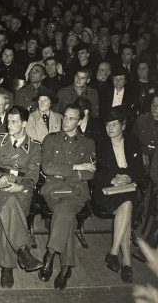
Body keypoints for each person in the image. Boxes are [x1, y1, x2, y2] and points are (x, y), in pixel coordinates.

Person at [38, 103, 96, 290]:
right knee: (67, 215)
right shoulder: (50, 139)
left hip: (76, 192)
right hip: (54, 190)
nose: (66, 121)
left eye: (72, 118)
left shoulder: (88, 143)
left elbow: (90, 174)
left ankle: (50, 254)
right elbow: (47, 168)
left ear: (79, 121)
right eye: (65, 116)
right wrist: (76, 167)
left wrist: (62, 171)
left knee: (65, 212)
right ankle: (66, 266)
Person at [0, 105, 43, 288]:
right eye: (7, 121)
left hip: (21, 190)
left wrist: (20, 186)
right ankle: (23, 251)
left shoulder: (34, 147)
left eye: (13, 122)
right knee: (8, 203)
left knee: (8, 211)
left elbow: (33, 175)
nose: (8, 125)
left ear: (24, 123)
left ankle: (7, 266)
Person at [92, 106, 144, 283]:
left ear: (123, 126)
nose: (110, 128)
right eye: (107, 125)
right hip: (107, 190)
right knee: (127, 207)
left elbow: (140, 170)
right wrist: (113, 179)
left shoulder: (132, 141)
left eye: (114, 125)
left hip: (128, 186)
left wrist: (128, 176)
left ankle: (114, 253)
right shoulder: (100, 142)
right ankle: (125, 260)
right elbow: (95, 172)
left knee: (127, 203)